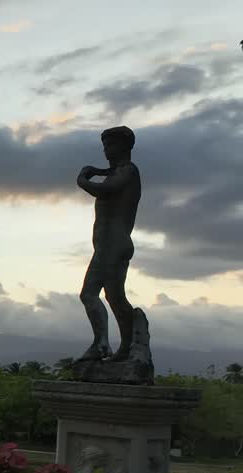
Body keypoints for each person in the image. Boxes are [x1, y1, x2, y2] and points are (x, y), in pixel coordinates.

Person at [76, 126, 142, 362]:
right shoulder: (115, 172)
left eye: (110, 145)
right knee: (115, 297)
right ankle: (129, 346)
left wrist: (83, 179)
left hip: (113, 244)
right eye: (104, 145)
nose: (106, 150)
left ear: (125, 146)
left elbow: (106, 191)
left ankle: (101, 344)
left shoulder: (127, 171)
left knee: (89, 293)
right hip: (108, 245)